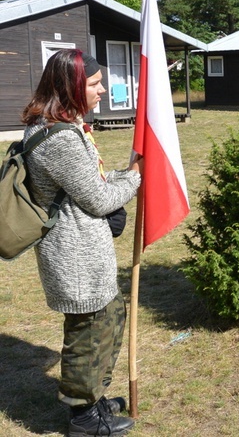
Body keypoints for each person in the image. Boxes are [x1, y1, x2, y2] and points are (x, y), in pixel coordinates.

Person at [21, 49, 142, 436]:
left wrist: (121, 179)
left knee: (106, 324)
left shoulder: (65, 126)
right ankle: (83, 417)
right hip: (75, 258)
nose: (103, 89)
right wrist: (135, 174)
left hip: (87, 251)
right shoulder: (55, 137)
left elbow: (95, 189)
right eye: (93, 83)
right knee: (87, 334)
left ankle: (94, 397)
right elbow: (100, 198)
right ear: (70, 87)